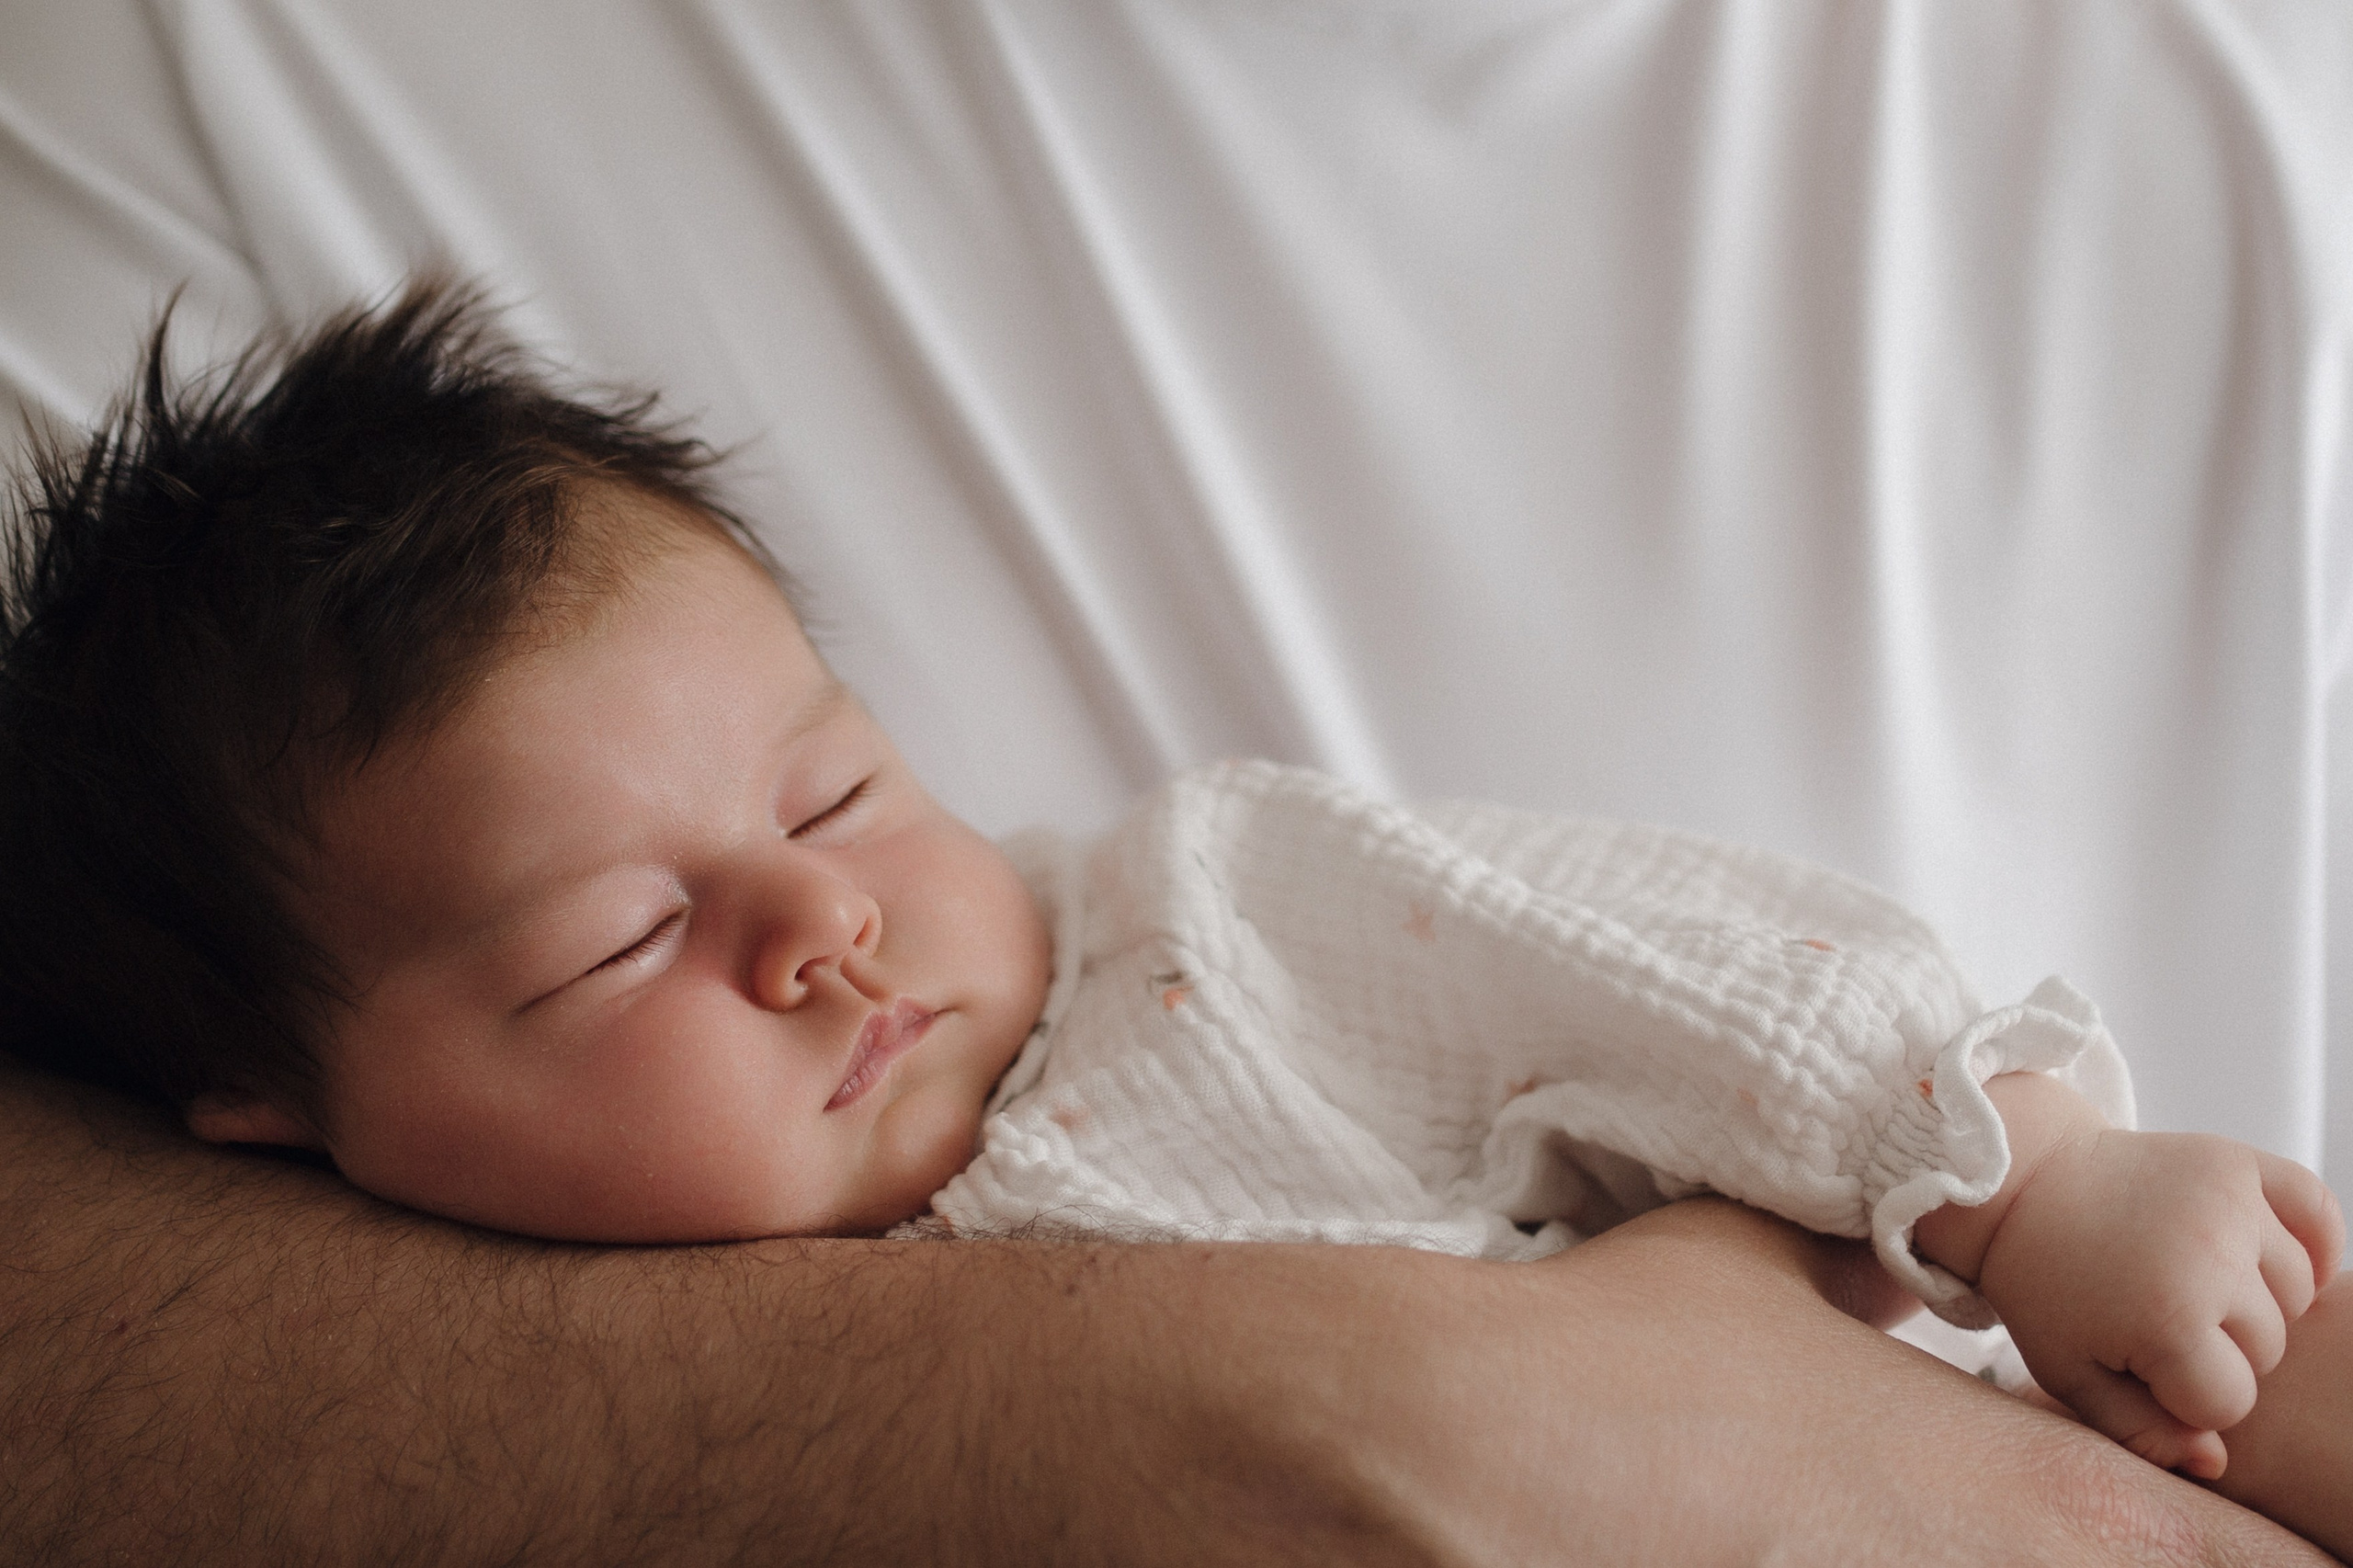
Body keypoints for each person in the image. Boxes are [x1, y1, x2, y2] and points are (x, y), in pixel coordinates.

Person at [3, 281, 2347, 1565]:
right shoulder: (512, 1398)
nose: (821, 919)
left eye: (832, 784)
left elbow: (1679, 971)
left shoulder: (1204, 924)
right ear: (270, 1114)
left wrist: (2028, 1183)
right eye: (619, 948)